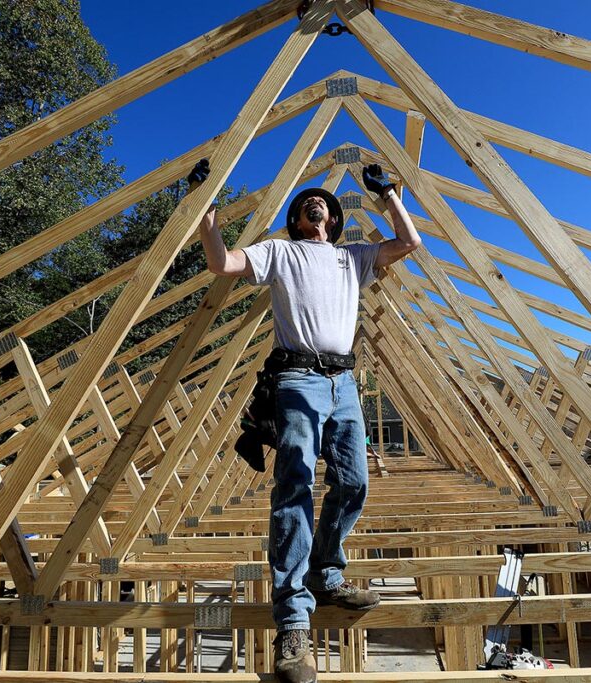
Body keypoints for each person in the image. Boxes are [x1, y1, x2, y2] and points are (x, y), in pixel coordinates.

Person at [197, 161, 420, 683]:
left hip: (344, 383)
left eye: (322, 204)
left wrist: (388, 195)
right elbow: (223, 264)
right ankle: (293, 622)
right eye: (306, 204)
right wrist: (208, 216)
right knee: (294, 483)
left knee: (355, 480)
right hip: (297, 378)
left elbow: (408, 243)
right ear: (297, 219)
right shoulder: (280, 252)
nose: (314, 206)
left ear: (334, 219)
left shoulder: (352, 258)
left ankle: (325, 572)